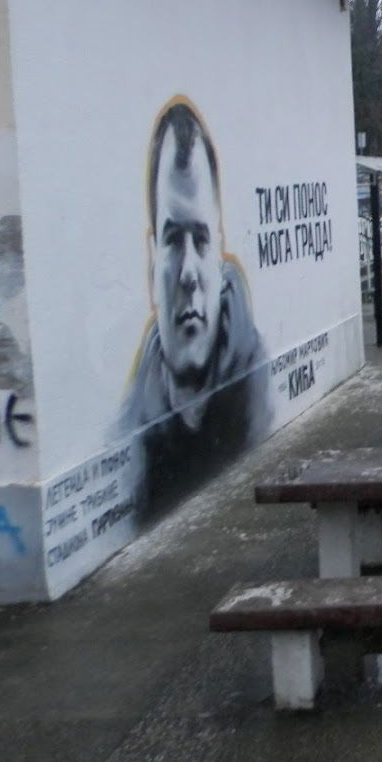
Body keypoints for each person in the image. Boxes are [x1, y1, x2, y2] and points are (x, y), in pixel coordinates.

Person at [119, 100, 268, 523]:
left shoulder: (256, 392)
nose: (187, 274)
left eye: (200, 240)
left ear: (219, 258)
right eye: (172, 240)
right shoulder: (130, 430)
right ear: (151, 260)